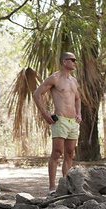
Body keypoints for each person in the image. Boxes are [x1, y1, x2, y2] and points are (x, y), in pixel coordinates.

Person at [33, 52, 81, 196]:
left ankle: (66, 186)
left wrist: (79, 113)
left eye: (75, 60)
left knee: (69, 153)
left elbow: (77, 99)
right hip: (60, 120)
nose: (75, 62)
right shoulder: (54, 78)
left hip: (73, 122)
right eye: (72, 60)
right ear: (64, 62)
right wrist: (45, 114)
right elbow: (37, 94)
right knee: (57, 152)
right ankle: (52, 187)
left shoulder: (74, 81)